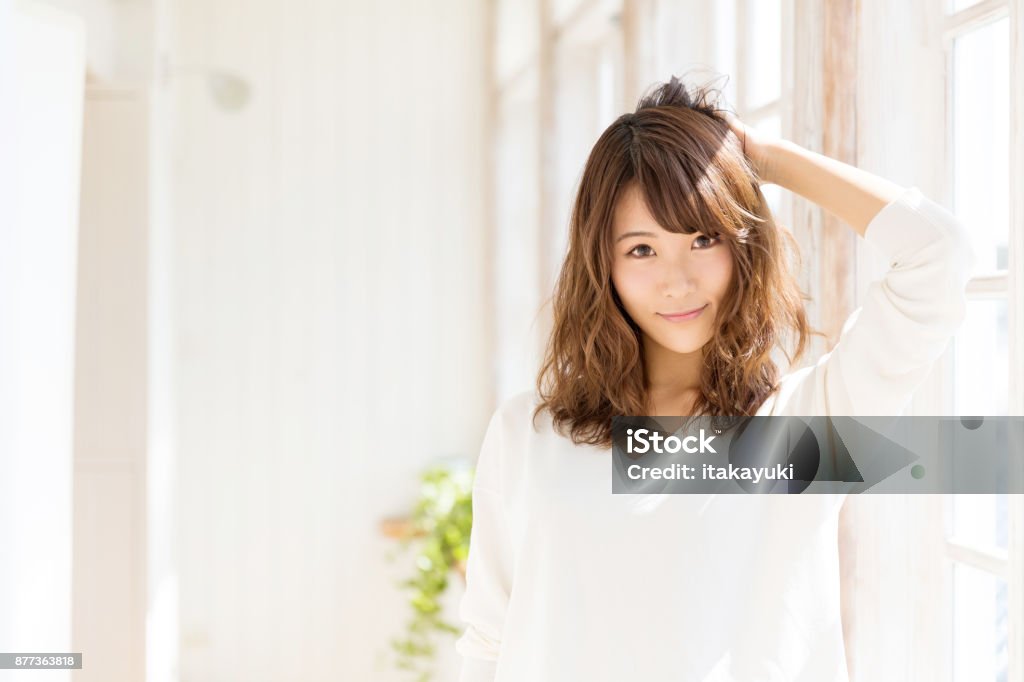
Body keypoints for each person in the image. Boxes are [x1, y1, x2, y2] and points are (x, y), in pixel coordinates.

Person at [453, 76, 975, 681]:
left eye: (703, 239)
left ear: (743, 246)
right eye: (642, 250)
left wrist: (764, 161)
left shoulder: (807, 424)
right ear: (604, 265)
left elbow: (938, 255)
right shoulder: (529, 433)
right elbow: (490, 642)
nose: (678, 281)